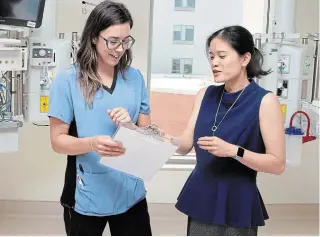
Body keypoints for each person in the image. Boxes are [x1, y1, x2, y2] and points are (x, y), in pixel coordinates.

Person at [167, 25, 286, 236]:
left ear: (245, 59)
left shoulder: (265, 101)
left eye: (222, 56)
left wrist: (234, 151)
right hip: (202, 197)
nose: (214, 63)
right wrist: (160, 136)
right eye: (211, 56)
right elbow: (185, 145)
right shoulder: (205, 94)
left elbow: (277, 164)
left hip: (237, 201)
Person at [48, 1, 152, 235]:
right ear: (94, 36)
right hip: (86, 192)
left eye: (125, 41)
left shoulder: (134, 79)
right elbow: (57, 141)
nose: (120, 48)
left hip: (130, 192)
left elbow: (149, 136)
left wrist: (130, 126)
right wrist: (92, 144)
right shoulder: (67, 81)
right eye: (113, 41)